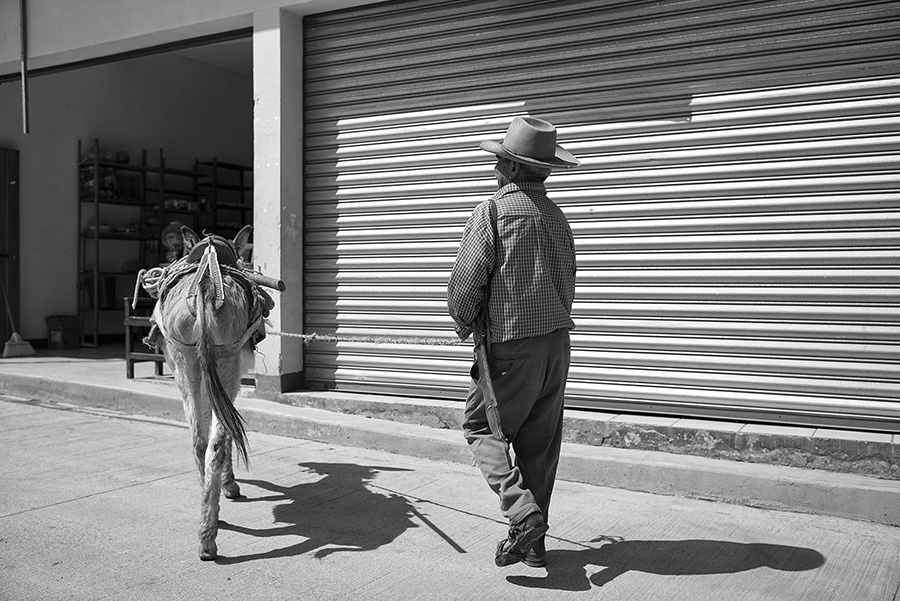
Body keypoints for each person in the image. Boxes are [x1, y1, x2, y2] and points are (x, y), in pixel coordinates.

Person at [447, 116, 579, 568]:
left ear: (511, 166)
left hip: (511, 347)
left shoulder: (491, 212)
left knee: (481, 427)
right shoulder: (558, 218)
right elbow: (568, 282)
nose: (496, 168)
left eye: (500, 161)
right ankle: (535, 543)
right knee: (538, 446)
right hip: (557, 345)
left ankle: (522, 514)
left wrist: (465, 324)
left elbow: (466, 284)